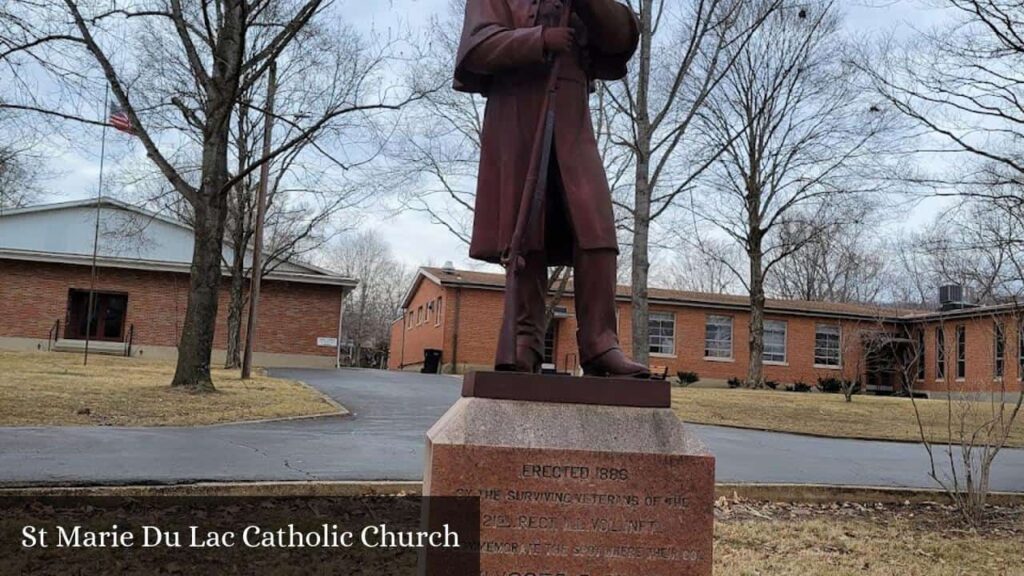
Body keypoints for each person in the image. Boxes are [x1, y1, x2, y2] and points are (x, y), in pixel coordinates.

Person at [454, 0, 649, 377]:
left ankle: (600, 342)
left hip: (572, 119)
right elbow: (476, 48)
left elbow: (622, 35)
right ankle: (524, 342)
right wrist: (541, 39)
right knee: (526, 228)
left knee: (596, 226)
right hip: (516, 116)